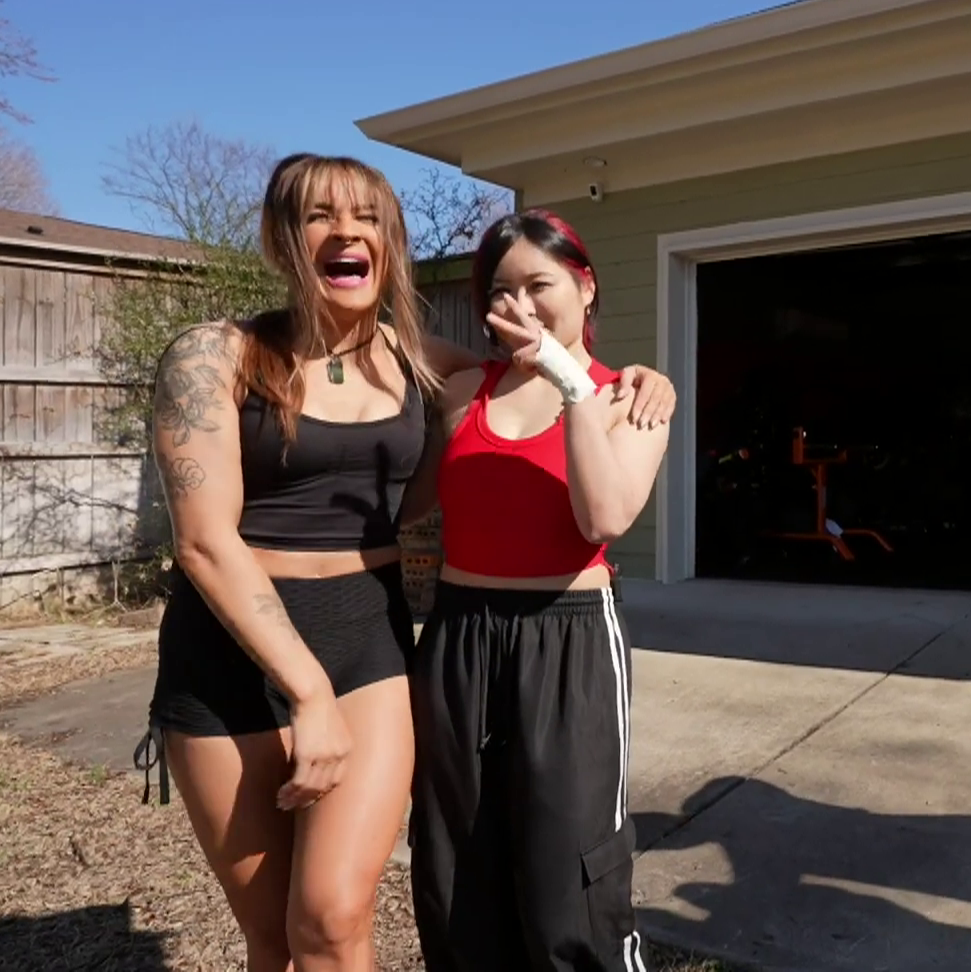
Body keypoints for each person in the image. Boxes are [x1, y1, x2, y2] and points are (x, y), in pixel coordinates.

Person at [139, 154, 675, 972]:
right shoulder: (216, 354)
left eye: (366, 218)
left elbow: (542, 402)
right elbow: (204, 541)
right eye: (318, 216)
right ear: (281, 240)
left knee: (332, 919)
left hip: (367, 642)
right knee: (275, 934)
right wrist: (306, 692)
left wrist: (631, 376)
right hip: (229, 652)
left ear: (389, 243)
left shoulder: (412, 356)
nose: (345, 233)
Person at [403, 209, 671, 972]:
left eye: (539, 284)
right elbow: (383, 338)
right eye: (501, 290)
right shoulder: (464, 391)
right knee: (455, 865)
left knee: (568, 875)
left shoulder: (629, 399)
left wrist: (569, 379)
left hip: (569, 634)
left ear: (586, 287)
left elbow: (603, 517)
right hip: (459, 634)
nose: (519, 304)